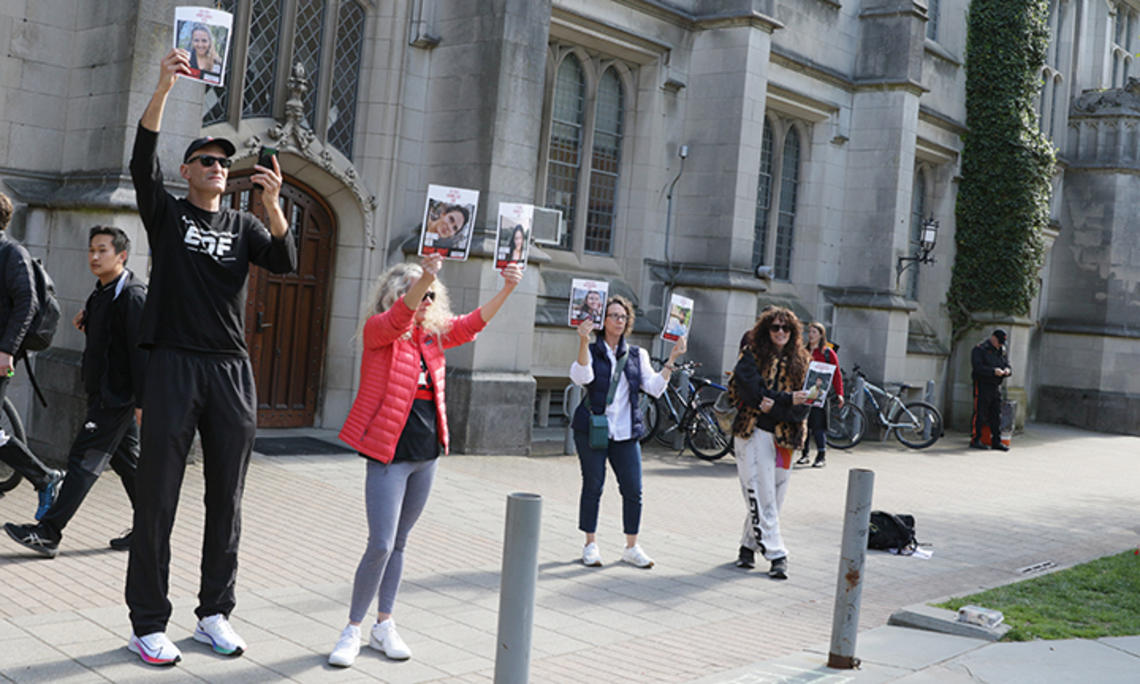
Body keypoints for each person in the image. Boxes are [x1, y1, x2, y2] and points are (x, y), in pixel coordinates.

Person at [124, 48, 297, 667]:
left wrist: (274, 207)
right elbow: (141, 162)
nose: (219, 168)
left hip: (230, 369)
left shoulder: (246, 227)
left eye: (225, 162)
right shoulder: (167, 214)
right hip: (173, 364)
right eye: (207, 161)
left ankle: (213, 614)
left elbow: (283, 261)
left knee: (227, 498)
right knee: (159, 498)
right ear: (187, 169)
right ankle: (148, 622)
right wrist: (164, 89)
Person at [327, 254, 523, 668]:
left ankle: (384, 624)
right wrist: (426, 276)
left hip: (426, 455)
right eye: (418, 292)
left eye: (432, 293)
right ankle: (352, 628)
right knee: (380, 543)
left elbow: (471, 325)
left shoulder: (432, 338)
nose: (426, 300)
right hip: (388, 455)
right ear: (394, 295)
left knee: (399, 543)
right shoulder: (380, 331)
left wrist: (507, 288)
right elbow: (400, 318)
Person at [4, 227, 146, 558]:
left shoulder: (134, 296)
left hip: (116, 399)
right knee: (130, 465)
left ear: (121, 256)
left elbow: (143, 354)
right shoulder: (102, 292)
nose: (94, 257)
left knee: (83, 462)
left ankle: (48, 533)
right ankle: (152, 529)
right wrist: (89, 317)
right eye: (91, 250)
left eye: (102, 251)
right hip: (102, 393)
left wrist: (143, 401)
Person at [569, 295, 685, 569]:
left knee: (633, 489)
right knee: (593, 485)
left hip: (626, 432)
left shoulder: (637, 355)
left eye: (623, 317)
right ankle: (590, 544)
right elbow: (581, 377)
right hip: (593, 430)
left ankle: (631, 547)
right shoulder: (593, 350)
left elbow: (655, 388)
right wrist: (583, 341)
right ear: (603, 320)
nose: (619, 321)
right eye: (613, 316)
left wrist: (672, 359)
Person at [730, 307, 810, 579]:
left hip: (786, 438)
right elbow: (750, 391)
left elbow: (805, 405)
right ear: (766, 330)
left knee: (774, 496)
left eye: (785, 329)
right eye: (775, 327)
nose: (780, 333)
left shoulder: (802, 361)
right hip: (753, 433)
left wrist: (775, 405)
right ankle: (777, 553)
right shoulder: (751, 355)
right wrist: (787, 400)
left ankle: (747, 546)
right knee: (761, 494)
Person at [0, 191, 62, 521]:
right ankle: (43, 476)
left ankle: (44, 476)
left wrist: (6, 350)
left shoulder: (11, 253)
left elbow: (28, 303)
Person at [797, 321, 844, 469]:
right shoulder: (803, 351)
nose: (810, 335)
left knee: (818, 425)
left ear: (821, 335)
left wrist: (840, 394)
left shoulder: (828, 354)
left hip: (820, 395)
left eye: (814, 332)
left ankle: (821, 456)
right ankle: (804, 454)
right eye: (809, 332)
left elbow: (836, 375)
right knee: (804, 423)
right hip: (804, 393)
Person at [970, 329, 1011, 452]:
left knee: (996, 415)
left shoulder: (1001, 351)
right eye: (999, 342)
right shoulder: (980, 349)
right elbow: (977, 368)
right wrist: (993, 371)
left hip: (995, 386)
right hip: (982, 385)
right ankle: (976, 439)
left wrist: (1007, 371)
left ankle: (996, 441)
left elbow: (1007, 364)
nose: (1000, 345)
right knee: (980, 414)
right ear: (993, 338)